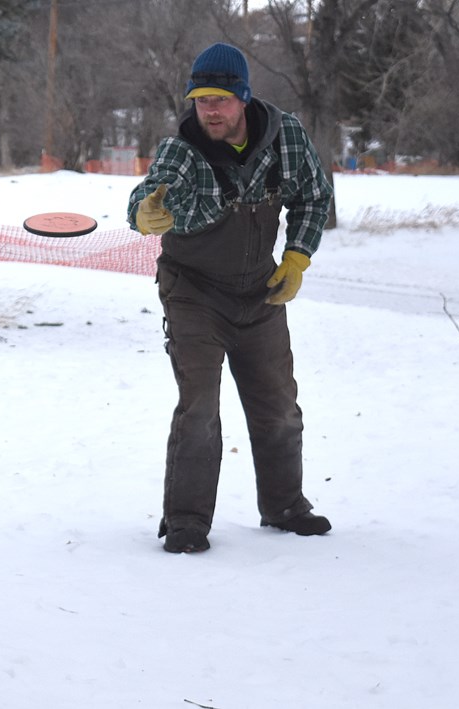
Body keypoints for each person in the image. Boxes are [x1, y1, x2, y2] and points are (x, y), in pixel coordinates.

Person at [127, 42, 334, 553]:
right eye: (201, 100)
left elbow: (313, 194)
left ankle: (285, 505)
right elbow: (149, 191)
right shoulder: (182, 146)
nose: (210, 110)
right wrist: (144, 212)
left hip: (259, 292)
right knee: (199, 406)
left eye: (220, 99)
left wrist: (297, 257)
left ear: (243, 98)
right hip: (194, 292)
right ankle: (187, 521)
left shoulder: (284, 136)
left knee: (279, 405)